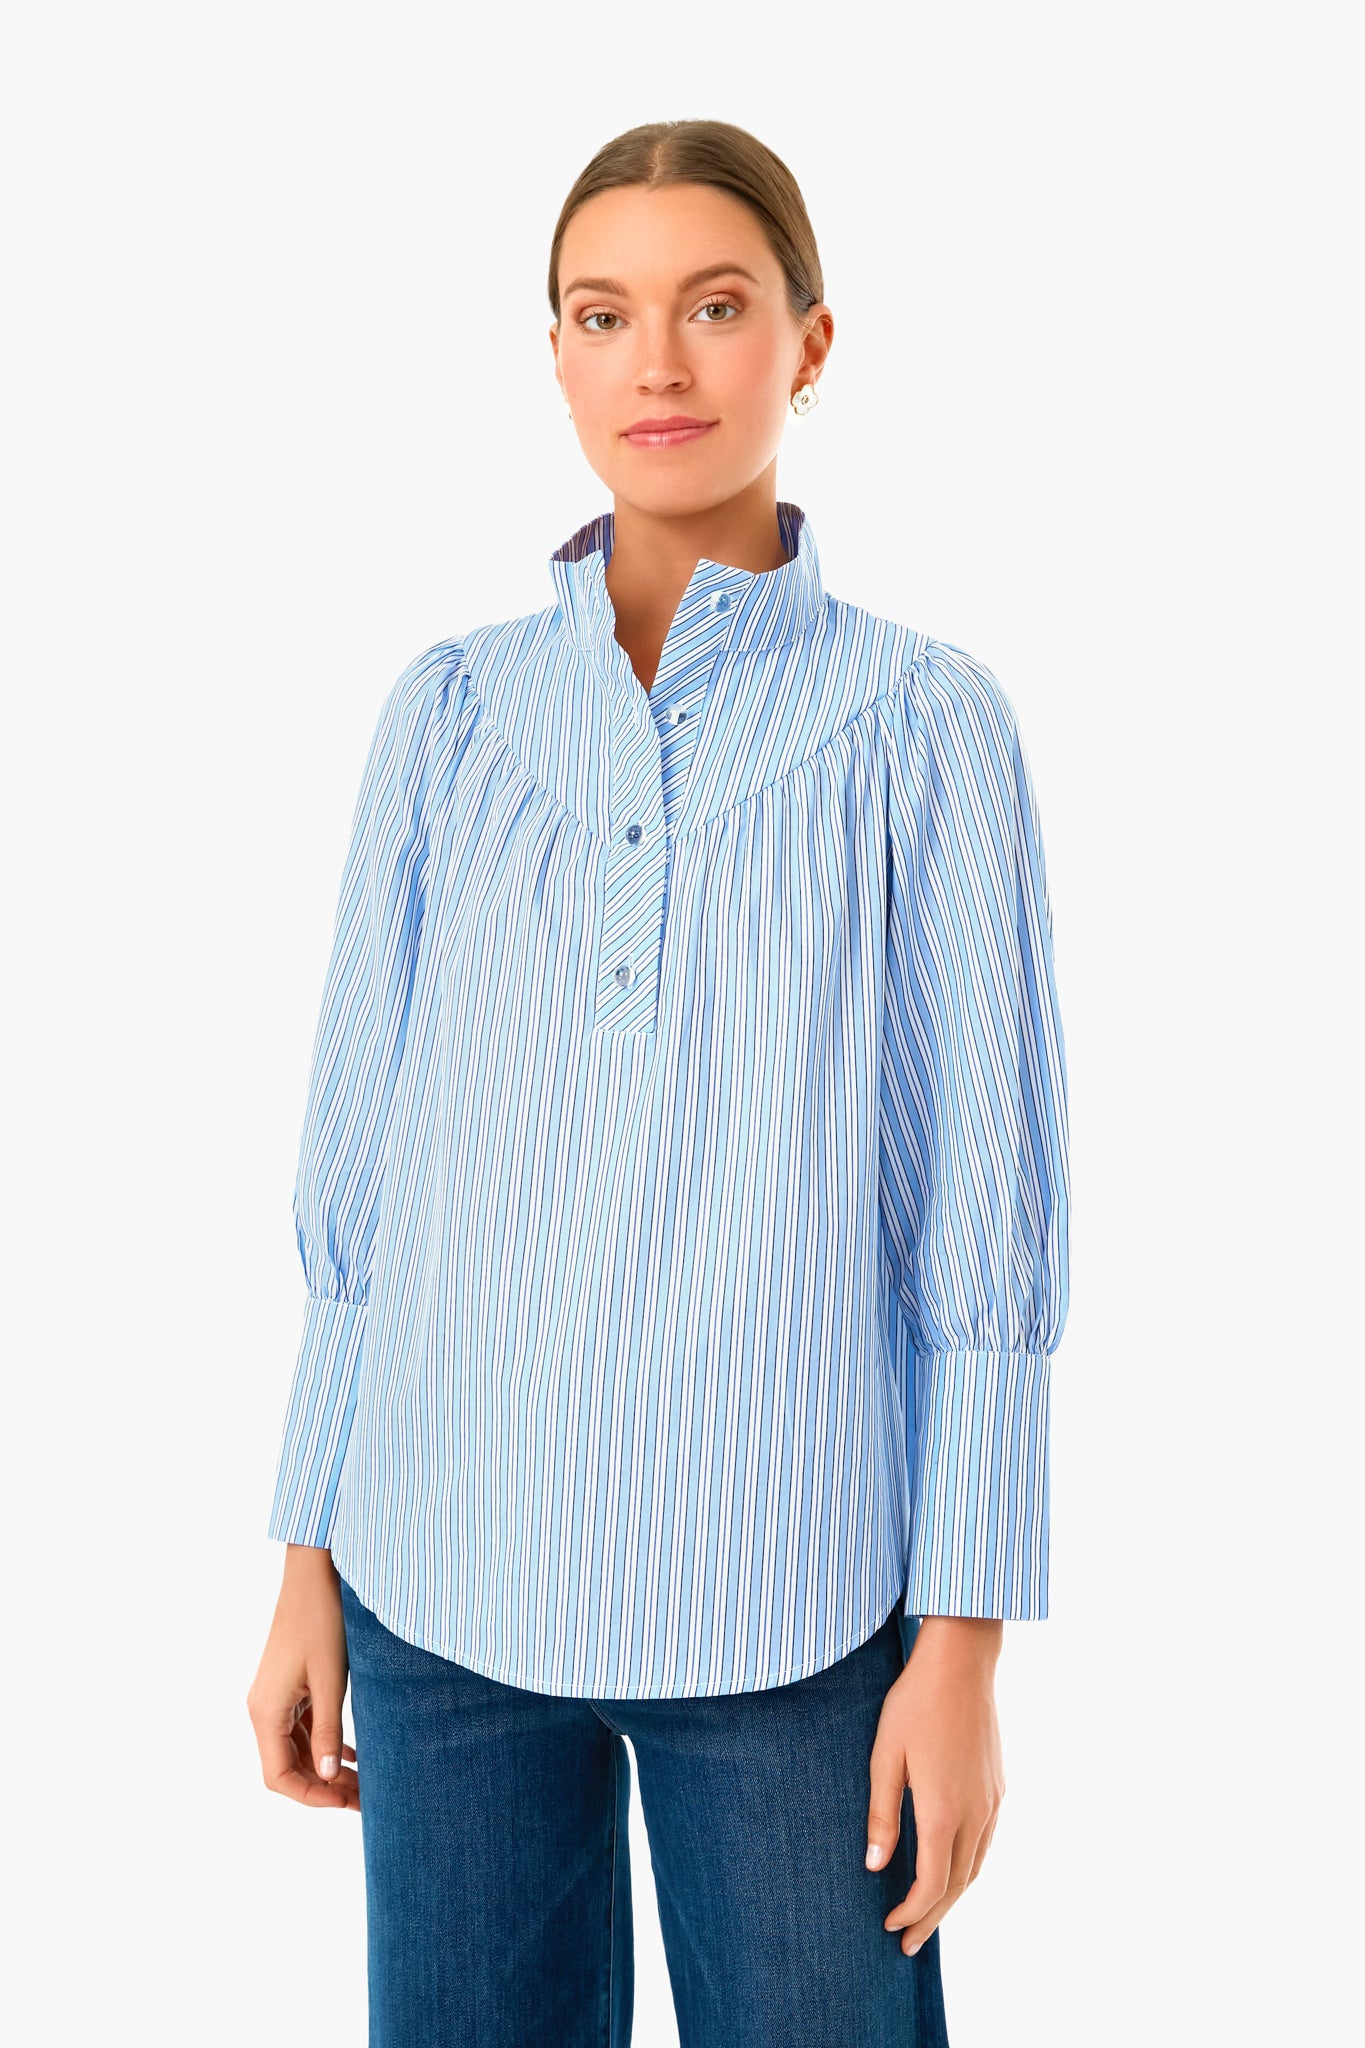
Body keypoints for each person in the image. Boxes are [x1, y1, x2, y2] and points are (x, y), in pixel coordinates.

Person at [247, 117, 1070, 2048]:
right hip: (440, 1580)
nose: (658, 364)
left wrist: (962, 1641)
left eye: (713, 305)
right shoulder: (451, 713)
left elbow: (984, 1202)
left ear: (809, 342)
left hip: (787, 1596)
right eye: (602, 315)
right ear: (553, 355)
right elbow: (363, 1172)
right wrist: (307, 1554)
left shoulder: (920, 723)